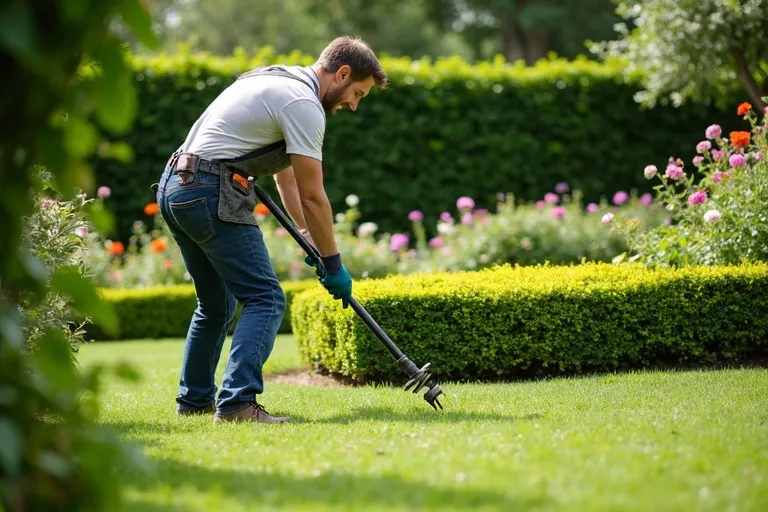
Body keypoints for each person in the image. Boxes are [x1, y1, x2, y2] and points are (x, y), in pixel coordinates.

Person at [154, 36, 388, 424]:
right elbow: (315, 195)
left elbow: (289, 181)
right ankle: (237, 404)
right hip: (211, 189)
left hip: (175, 186)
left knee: (217, 305)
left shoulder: (276, 79)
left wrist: (307, 234)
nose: (354, 105)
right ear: (342, 73)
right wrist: (334, 265)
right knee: (265, 297)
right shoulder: (304, 104)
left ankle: (194, 401)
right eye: (357, 93)